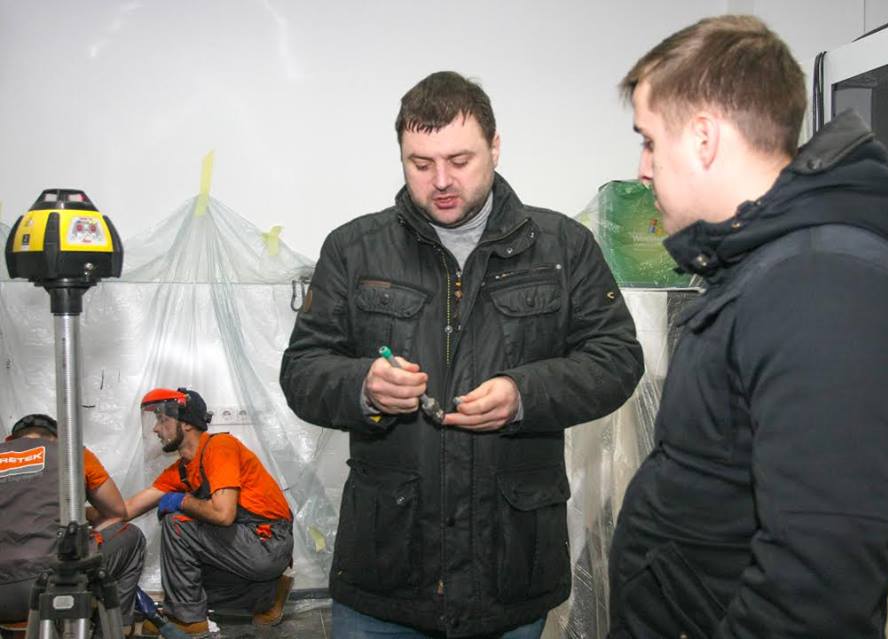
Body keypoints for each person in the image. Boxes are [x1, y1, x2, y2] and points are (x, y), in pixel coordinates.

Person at [608, 15, 888, 638]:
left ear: (703, 137)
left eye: (650, 141)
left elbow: (816, 591)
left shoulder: (829, 287)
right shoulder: (769, 268)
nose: (643, 169)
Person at [280, 70, 645, 638]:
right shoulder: (353, 250)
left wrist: (524, 394)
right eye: (420, 164)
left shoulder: (563, 247)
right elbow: (302, 371)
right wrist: (363, 386)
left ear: (495, 148)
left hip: (509, 569)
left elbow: (617, 358)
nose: (442, 181)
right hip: (385, 573)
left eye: (459, 160)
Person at [125, 387, 294, 636]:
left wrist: (182, 500)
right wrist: (81, 511)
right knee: (190, 586)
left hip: (268, 541)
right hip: (249, 545)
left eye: (162, 419)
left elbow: (223, 515)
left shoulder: (220, 446)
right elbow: (125, 510)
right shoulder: (182, 469)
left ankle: (188, 620)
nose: (156, 429)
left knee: (176, 523)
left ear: (186, 423)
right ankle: (268, 595)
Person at [0, 414, 146, 633]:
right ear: (57, 438)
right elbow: (117, 512)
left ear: (11, 440)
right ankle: (117, 630)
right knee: (131, 536)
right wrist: (83, 514)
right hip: (49, 582)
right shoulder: (73, 454)